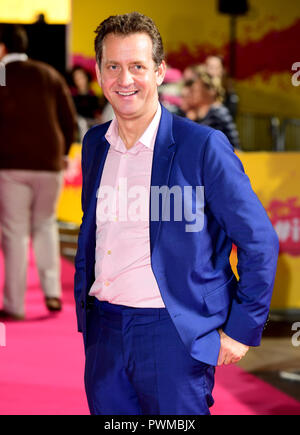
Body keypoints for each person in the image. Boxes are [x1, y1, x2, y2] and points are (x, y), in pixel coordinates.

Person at [74, 12, 279, 415]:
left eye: (137, 66)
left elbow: (259, 241)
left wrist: (241, 331)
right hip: (104, 334)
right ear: (98, 72)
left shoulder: (202, 146)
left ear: (160, 71)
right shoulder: (95, 143)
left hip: (175, 335)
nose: (124, 79)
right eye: (113, 66)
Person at [0, 24, 77, 320]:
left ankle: (15, 304)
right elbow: (68, 118)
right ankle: (52, 293)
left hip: (11, 165)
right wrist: (61, 153)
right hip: (49, 164)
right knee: (45, 225)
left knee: (15, 233)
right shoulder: (48, 73)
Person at [183, 65, 240, 149]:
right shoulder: (192, 114)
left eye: (195, 90)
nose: (192, 94)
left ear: (208, 91)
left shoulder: (218, 111)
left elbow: (233, 142)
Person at [205, 55, 239, 120]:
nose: (213, 71)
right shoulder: (198, 90)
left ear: (223, 70)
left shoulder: (228, 92)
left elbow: (231, 115)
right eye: (211, 67)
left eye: (216, 68)